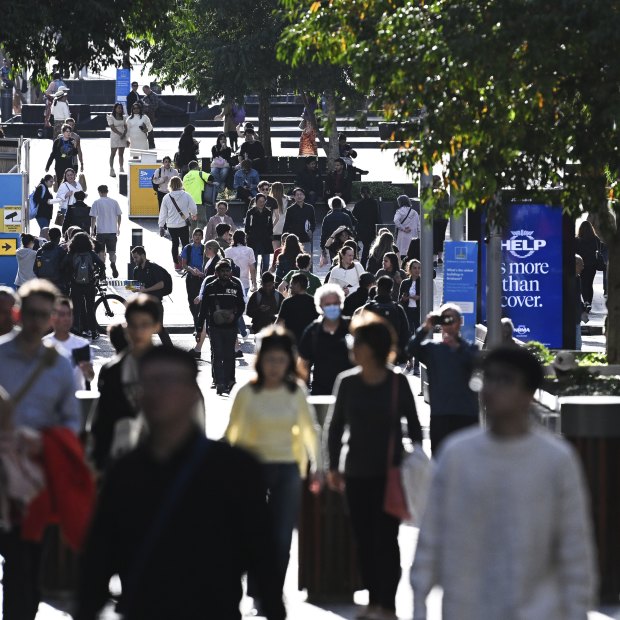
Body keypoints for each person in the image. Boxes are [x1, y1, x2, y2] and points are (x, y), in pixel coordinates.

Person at [77, 346, 287, 620]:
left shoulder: (234, 468)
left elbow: (261, 552)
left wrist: (273, 608)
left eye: (170, 381)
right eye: (150, 382)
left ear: (193, 394)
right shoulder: (125, 472)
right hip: (145, 608)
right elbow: (99, 556)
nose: (159, 392)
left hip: (214, 608)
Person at [411, 346, 597, 620]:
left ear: (528, 393)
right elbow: (431, 535)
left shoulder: (556, 461)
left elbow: (574, 547)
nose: (492, 388)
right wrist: (419, 606)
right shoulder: (456, 455)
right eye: (487, 378)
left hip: (539, 611)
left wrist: (577, 610)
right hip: (467, 608)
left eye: (505, 379)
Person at [325, 314, 423, 620]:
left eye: (358, 342)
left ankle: (387, 605)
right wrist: (332, 467)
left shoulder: (398, 381)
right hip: (355, 473)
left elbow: (416, 427)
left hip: (390, 474)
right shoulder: (347, 382)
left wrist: (413, 457)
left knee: (387, 540)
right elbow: (334, 427)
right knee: (364, 540)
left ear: (373, 347)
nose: (353, 347)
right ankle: (372, 598)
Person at [0, 281, 81, 620]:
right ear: (19, 313)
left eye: (42, 316)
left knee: (25, 562)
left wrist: (47, 440)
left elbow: (72, 421)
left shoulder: (60, 365)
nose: (36, 322)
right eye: (30, 314)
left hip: (36, 478)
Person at [225, 326, 320, 603]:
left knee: (281, 536)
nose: (275, 366)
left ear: (289, 361)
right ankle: (256, 588)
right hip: (251, 472)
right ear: (260, 360)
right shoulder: (247, 393)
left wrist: (320, 469)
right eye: (269, 360)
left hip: (289, 469)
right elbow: (232, 433)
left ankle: (272, 590)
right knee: (255, 533)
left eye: (280, 360)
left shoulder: (296, 391)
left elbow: (309, 431)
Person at [90, 294, 163, 471]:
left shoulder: (172, 368)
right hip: (121, 462)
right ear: (126, 327)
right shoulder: (112, 370)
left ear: (156, 326)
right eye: (133, 325)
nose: (138, 332)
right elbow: (103, 422)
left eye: (144, 325)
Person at [408, 304, 479, 455]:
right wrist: (426, 327)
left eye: (451, 319)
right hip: (441, 414)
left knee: (467, 462)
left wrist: (457, 347)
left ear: (460, 322)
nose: (448, 324)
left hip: (466, 414)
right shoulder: (433, 349)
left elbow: (475, 363)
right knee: (439, 460)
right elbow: (410, 349)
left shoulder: (469, 349)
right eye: (444, 320)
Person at [197, 260, 246, 395]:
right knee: (217, 354)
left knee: (229, 354)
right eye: (222, 271)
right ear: (217, 273)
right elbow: (203, 309)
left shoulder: (235, 287)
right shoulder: (210, 287)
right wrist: (199, 327)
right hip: (214, 326)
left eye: (227, 271)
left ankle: (230, 379)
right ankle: (219, 382)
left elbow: (241, 306)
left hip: (231, 327)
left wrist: (234, 317)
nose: (225, 273)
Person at [298, 284, 353, 395]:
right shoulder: (312, 331)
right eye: (327, 304)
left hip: (349, 393)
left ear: (341, 303)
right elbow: (302, 364)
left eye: (335, 303)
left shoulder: (352, 328)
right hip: (321, 392)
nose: (332, 307)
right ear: (320, 306)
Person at [44, 296, 94, 391]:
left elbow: (90, 378)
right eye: (62, 315)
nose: (66, 319)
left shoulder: (82, 345)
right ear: (52, 317)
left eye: (69, 314)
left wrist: (88, 371)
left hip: (76, 400)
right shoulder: (43, 344)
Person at [62, 232, 105, 340]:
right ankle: (94, 331)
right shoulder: (91, 253)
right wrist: (97, 276)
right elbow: (102, 265)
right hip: (89, 284)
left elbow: (62, 266)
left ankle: (77, 330)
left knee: (76, 308)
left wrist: (69, 276)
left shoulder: (71, 254)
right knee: (90, 308)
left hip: (75, 285)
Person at [361, 275, 410, 362]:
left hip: (373, 354)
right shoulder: (398, 308)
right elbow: (405, 333)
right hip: (392, 354)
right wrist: (403, 355)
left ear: (377, 289)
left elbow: (360, 332)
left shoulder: (368, 308)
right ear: (391, 290)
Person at [131, 246, 173, 346]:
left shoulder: (154, 268)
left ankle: (170, 350)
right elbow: (137, 286)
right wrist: (134, 288)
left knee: (159, 328)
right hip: (144, 303)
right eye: (133, 258)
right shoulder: (136, 270)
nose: (134, 260)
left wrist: (146, 289)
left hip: (155, 303)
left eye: (136, 257)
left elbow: (161, 284)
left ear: (143, 256)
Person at [159, 176, 198, 269]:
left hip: (171, 225)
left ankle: (176, 264)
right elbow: (193, 208)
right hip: (183, 224)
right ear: (181, 184)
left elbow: (163, 213)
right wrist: (193, 214)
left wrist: (161, 226)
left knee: (175, 244)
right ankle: (186, 263)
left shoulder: (166, 197)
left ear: (170, 185)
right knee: (185, 244)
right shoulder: (186, 195)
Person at [277, 272, 319, 344]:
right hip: (309, 341)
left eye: (292, 284)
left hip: (291, 342)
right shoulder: (314, 301)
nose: (290, 287)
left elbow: (279, 323)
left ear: (298, 285)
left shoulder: (287, 302)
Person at [90, 184, 122, 278]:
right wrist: (118, 228)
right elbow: (119, 215)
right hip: (112, 231)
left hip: (101, 231)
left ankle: (102, 269)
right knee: (112, 251)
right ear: (107, 191)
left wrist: (92, 230)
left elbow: (93, 217)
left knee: (101, 252)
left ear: (99, 192)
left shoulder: (96, 202)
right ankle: (112, 263)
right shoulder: (114, 202)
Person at [181, 228, 206, 334]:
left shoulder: (205, 248)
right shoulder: (188, 248)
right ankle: (197, 324)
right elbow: (184, 264)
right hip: (191, 278)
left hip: (202, 278)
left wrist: (201, 273)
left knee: (201, 302)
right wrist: (191, 270)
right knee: (192, 302)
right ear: (192, 236)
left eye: (199, 235)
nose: (197, 237)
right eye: (195, 235)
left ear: (202, 237)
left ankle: (200, 326)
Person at [399, 259, 422, 374]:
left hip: (418, 313)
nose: (417, 270)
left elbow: (426, 297)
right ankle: (410, 361)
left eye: (419, 268)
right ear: (410, 269)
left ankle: (417, 364)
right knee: (408, 338)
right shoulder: (405, 283)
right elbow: (400, 299)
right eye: (414, 268)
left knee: (417, 338)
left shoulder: (422, 282)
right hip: (408, 312)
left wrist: (418, 298)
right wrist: (404, 299)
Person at [320, 196, 357, 262]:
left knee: (334, 262)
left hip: (333, 244)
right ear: (341, 205)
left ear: (331, 206)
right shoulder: (346, 216)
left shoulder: (327, 218)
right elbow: (351, 231)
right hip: (345, 242)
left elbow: (324, 233)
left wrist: (322, 247)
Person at [245, 192, 273, 275]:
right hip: (254, 239)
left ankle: (263, 278)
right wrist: (249, 235)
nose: (262, 203)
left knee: (266, 262)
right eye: (260, 201)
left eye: (263, 201)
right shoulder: (251, 212)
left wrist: (270, 236)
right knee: (254, 261)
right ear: (256, 201)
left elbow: (270, 226)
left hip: (265, 239)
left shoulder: (268, 212)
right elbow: (247, 226)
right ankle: (253, 279)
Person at [352, 186, 381, 267]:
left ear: (361, 194)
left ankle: (358, 261)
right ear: (370, 193)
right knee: (367, 246)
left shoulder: (358, 204)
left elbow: (354, 216)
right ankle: (365, 264)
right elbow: (378, 216)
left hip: (361, 228)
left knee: (359, 244)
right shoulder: (374, 203)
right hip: (371, 228)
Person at [183, 160, 216, 229]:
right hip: (199, 202)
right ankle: (197, 236)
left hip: (188, 203)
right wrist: (207, 182)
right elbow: (211, 178)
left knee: (192, 222)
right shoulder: (200, 173)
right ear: (196, 167)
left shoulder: (185, 177)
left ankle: (191, 238)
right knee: (202, 221)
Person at [575, 219, 599, 310]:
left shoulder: (577, 240)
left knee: (583, 284)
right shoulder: (595, 239)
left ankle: (586, 302)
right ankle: (589, 302)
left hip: (581, 265)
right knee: (589, 284)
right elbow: (601, 247)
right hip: (592, 265)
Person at [34, 227, 66, 292]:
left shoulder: (41, 250)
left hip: (43, 282)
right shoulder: (60, 250)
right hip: (57, 282)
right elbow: (64, 267)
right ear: (59, 237)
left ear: (49, 236)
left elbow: (36, 267)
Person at [225, 229, 257, 294]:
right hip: (244, 283)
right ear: (244, 238)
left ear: (233, 238)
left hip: (230, 282)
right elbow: (252, 269)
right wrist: (254, 283)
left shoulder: (227, 251)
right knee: (242, 301)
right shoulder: (249, 250)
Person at [394, 195, 420, 260]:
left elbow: (395, 220)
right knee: (412, 253)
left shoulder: (400, 211)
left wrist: (402, 228)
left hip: (403, 236)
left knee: (402, 254)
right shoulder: (415, 212)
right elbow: (418, 226)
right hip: (414, 237)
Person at [107, 103, 128, 177]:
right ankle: (111, 169)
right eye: (118, 108)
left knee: (121, 154)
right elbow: (112, 127)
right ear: (115, 108)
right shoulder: (111, 117)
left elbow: (126, 126)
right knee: (113, 153)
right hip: (115, 136)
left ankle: (121, 168)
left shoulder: (124, 117)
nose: (120, 109)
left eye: (121, 108)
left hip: (122, 136)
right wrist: (120, 134)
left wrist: (124, 133)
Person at [575, 254, 587, 350]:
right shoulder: (568, 279)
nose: (583, 267)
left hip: (575, 317)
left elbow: (577, 296)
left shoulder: (577, 278)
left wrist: (582, 310)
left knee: (578, 345)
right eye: (581, 265)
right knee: (577, 345)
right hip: (570, 318)